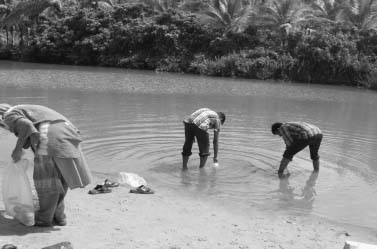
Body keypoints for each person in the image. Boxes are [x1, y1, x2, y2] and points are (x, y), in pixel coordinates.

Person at [0, 103, 92, 227]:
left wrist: (17, 149)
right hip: (68, 134)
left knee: (46, 180)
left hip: (48, 138)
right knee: (60, 178)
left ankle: (44, 219)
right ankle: (59, 216)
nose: (6, 128)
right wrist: (22, 147)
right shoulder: (26, 110)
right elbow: (29, 129)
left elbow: (26, 126)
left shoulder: (8, 115)